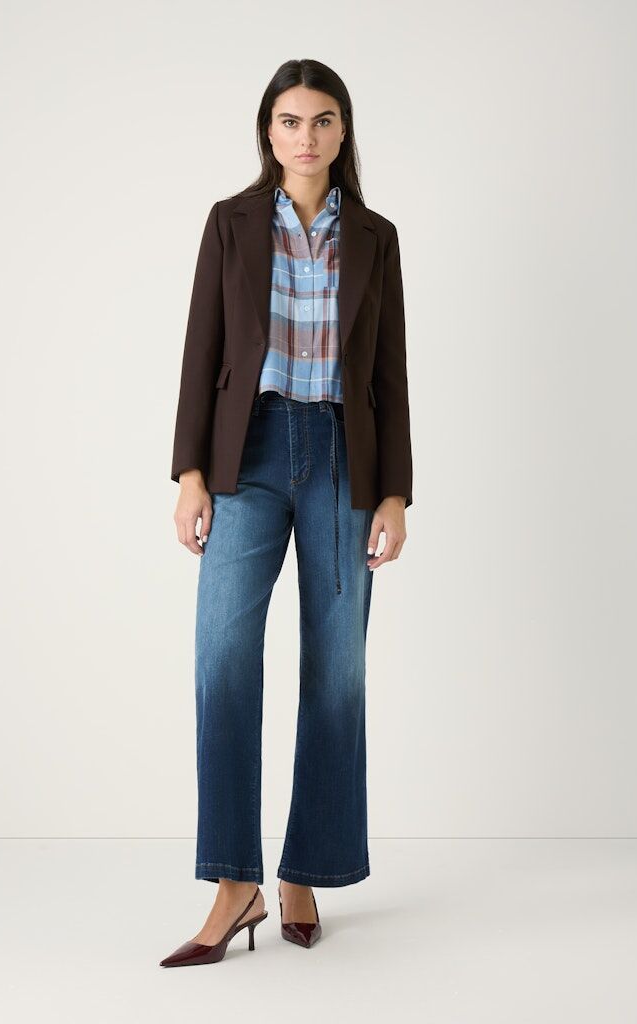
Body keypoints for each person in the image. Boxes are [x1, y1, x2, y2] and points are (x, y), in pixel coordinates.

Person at [160, 58, 413, 968]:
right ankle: (236, 883)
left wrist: (395, 491)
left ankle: (308, 869)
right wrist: (190, 472)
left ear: (343, 133)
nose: (305, 136)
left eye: (322, 120)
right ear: (267, 130)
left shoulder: (375, 237)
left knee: (335, 669)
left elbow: (389, 369)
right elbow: (201, 349)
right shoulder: (230, 222)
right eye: (289, 120)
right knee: (223, 657)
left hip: (346, 457)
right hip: (248, 455)